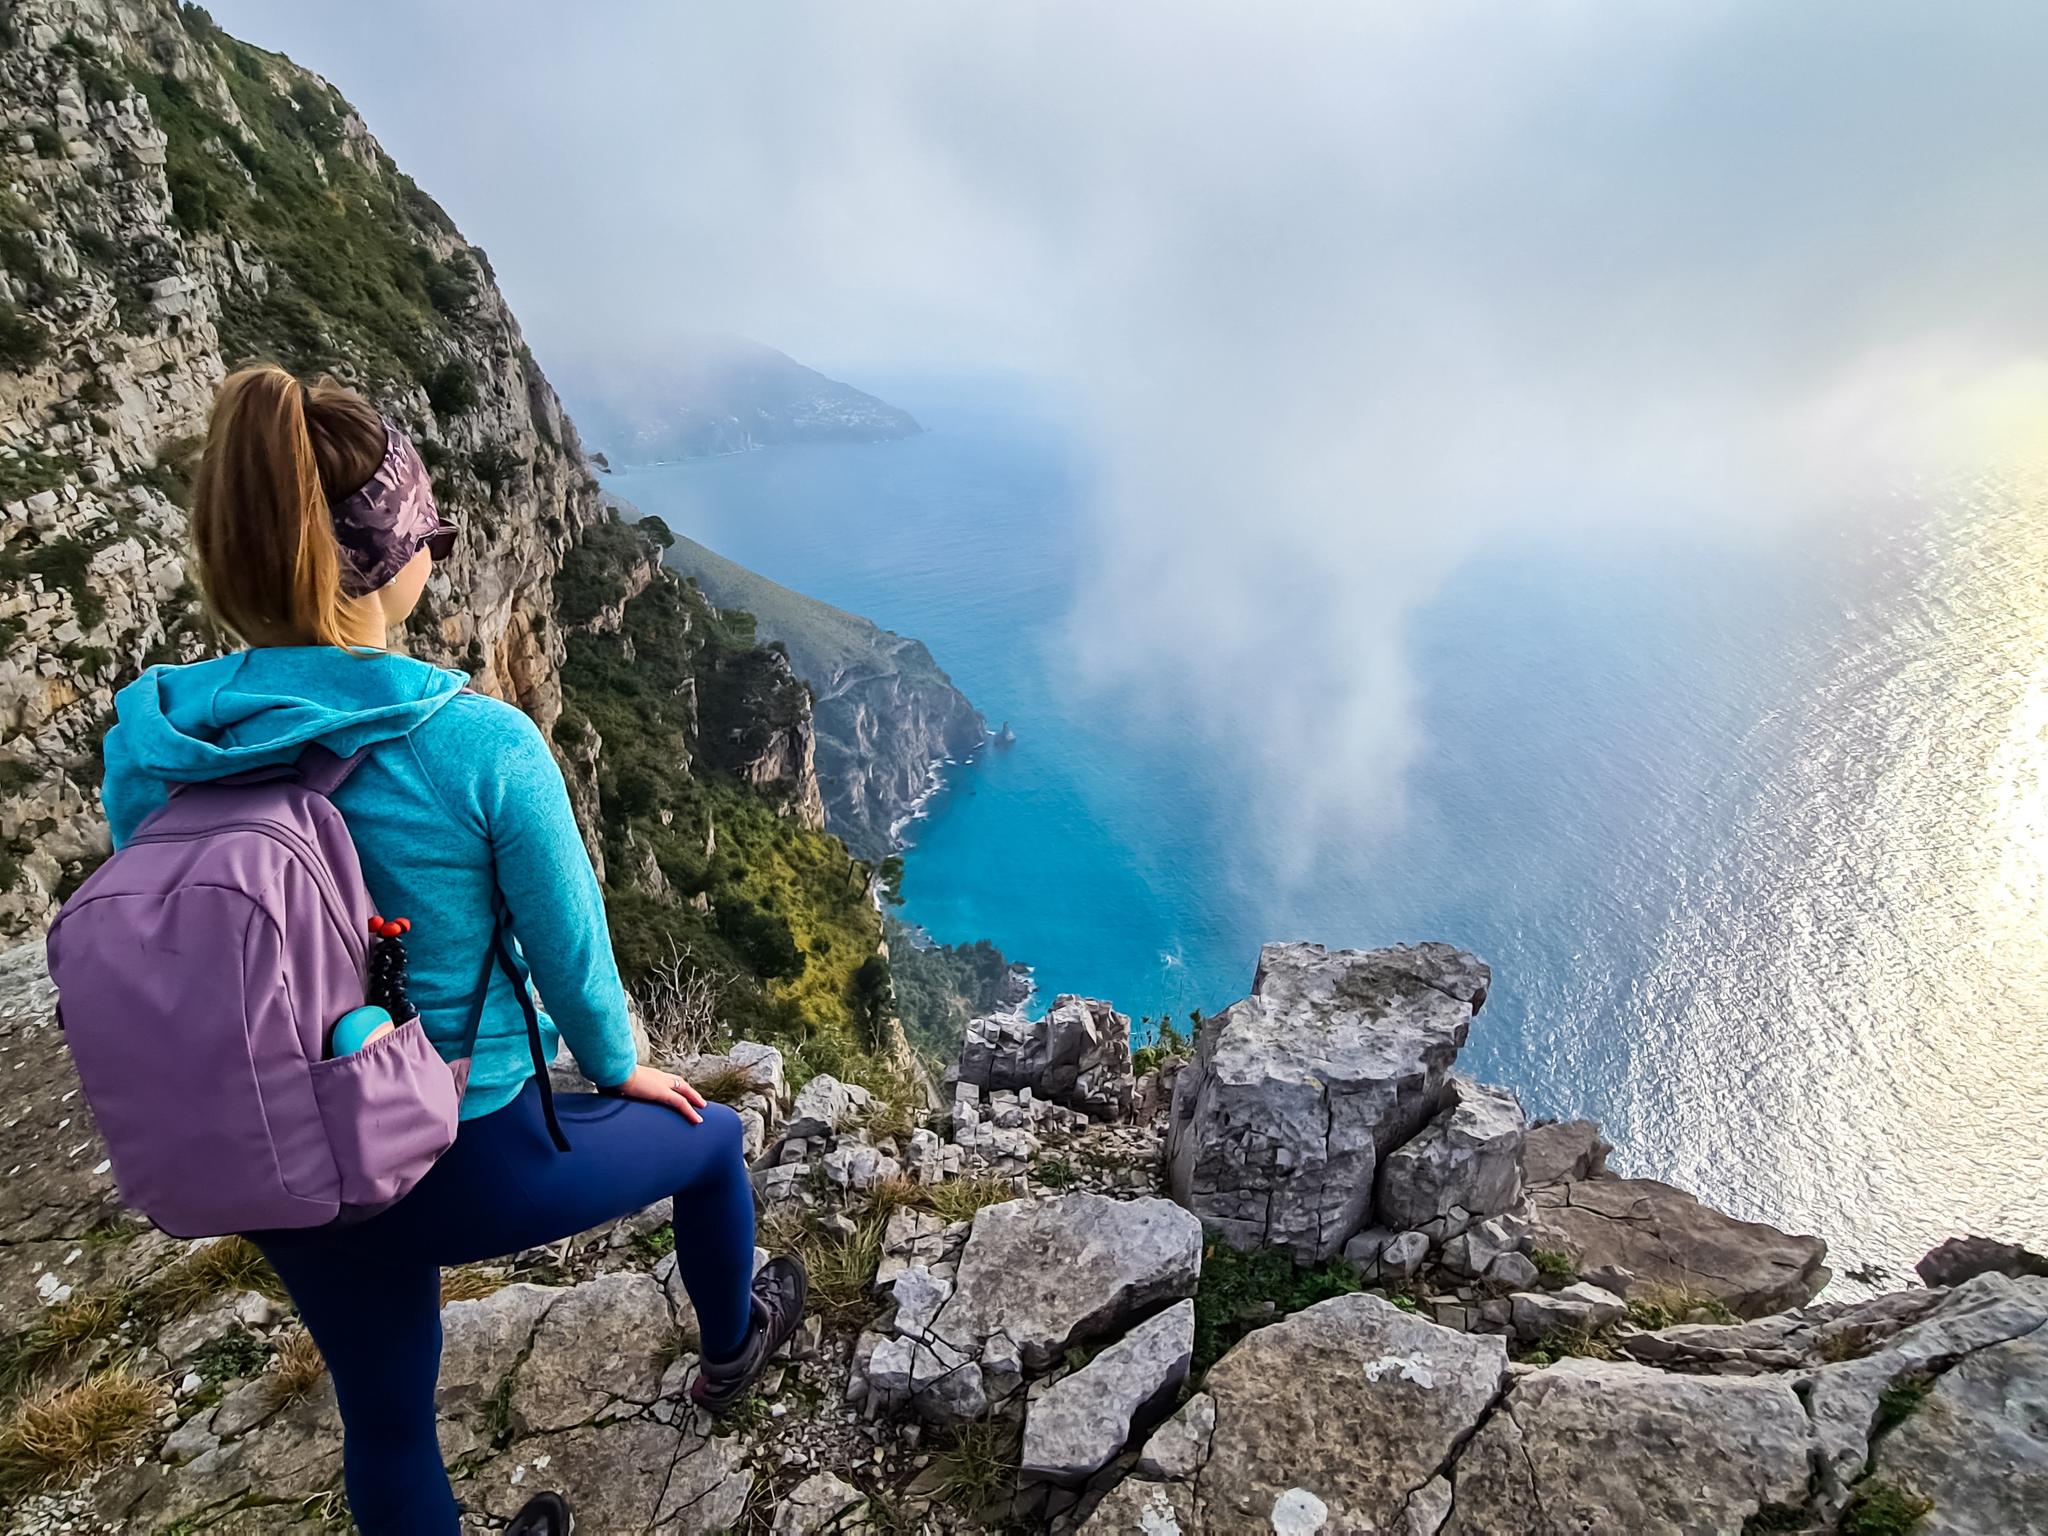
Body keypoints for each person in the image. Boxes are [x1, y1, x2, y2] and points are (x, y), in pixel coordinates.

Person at [98, 364, 806, 1536]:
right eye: (427, 530)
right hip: (453, 1149)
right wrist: (619, 1062)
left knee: (386, 1421)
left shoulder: (155, 733)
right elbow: (569, 949)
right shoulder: (478, 743)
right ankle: (733, 1350)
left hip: (274, 1156)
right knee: (714, 1140)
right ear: (387, 563)